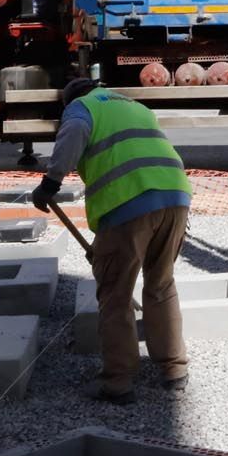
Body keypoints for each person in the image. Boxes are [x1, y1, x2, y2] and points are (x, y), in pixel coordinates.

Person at [32, 77, 192, 402]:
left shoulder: (81, 107)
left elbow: (74, 130)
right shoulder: (132, 105)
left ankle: (118, 382)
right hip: (175, 196)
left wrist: (51, 182)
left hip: (128, 202)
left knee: (115, 294)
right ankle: (174, 369)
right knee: (161, 285)